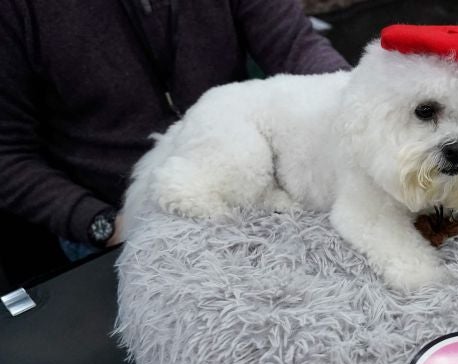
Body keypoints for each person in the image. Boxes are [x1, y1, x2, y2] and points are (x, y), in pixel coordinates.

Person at [0, 0, 349, 261]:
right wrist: (100, 223)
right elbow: (8, 156)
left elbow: (294, 46)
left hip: (247, 177)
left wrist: (356, 103)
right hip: (114, 216)